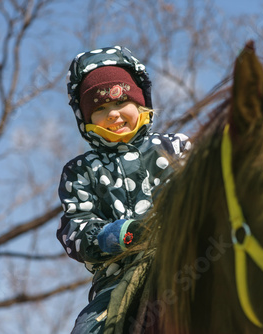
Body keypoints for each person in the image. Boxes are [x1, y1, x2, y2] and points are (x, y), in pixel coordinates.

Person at [57, 45, 190, 333]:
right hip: (119, 278)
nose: (113, 115)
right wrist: (118, 234)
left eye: (120, 103)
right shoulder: (80, 171)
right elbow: (74, 228)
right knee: (87, 329)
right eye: (100, 109)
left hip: (190, 258)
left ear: (141, 102)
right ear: (85, 119)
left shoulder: (175, 148)